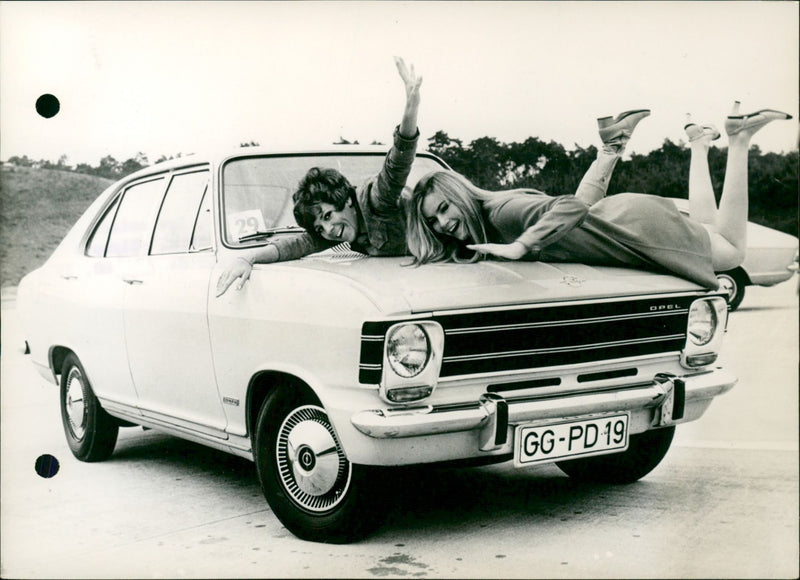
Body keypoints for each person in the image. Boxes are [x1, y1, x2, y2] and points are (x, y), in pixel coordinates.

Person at [405, 103, 792, 288]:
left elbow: (568, 206)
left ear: (457, 193)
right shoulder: (490, 217)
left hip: (637, 230)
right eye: (433, 221)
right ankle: (699, 145)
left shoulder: (502, 214)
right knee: (710, 228)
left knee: (733, 252)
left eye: (442, 208)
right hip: (621, 217)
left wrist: (522, 245)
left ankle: (739, 139)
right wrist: (607, 154)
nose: (443, 223)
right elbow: (581, 208)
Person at [216, 56, 423, 297]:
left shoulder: (375, 199)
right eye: (320, 226)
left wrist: (411, 106)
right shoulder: (336, 231)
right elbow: (296, 245)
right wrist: (247, 257)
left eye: (327, 215)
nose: (328, 230)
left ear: (346, 200)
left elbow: (397, 165)